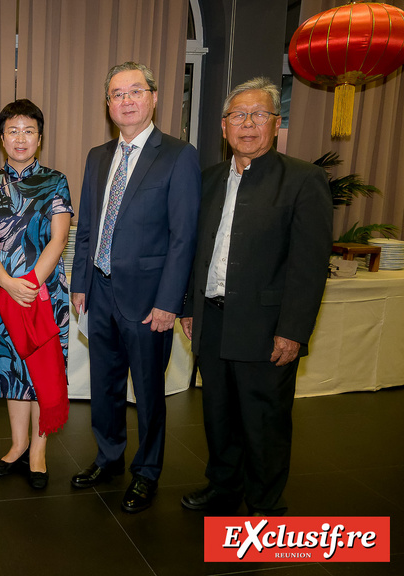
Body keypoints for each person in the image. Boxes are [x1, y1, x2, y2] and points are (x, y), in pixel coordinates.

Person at [180, 77, 332, 516]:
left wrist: (293, 331)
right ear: (224, 126)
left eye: (258, 115)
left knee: (264, 419)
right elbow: (194, 252)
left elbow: (308, 265)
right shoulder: (208, 180)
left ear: (276, 123)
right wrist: (189, 308)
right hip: (213, 319)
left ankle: (265, 502)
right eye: (238, 116)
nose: (248, 124)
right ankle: (223, 486)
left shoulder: (303, 180)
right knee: (218, 413)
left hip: (266, 327)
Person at [70, 61, 201, 513]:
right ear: (108, 104)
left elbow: (184, 237)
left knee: (147, 392)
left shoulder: (178, 155)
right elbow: (88, 226)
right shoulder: (97, 156)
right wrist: (81, 282)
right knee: (104, 385)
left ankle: (146, 472)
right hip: (100, 292)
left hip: (149, 300)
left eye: (135, 91)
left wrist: (170, 301)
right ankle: (108, 458)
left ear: (154, 97)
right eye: (117, 94)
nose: (126, 101)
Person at [0, 99, 72, 489]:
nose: (21, 138)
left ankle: (38, 451)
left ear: (39, 138)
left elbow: (59, 238)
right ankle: (17, 445)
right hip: (2, 295)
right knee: (12, 372)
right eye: (13, 131)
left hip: (43, 295)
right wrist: (6, 282)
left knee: (41, 372)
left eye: (28, 131)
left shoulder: (56, 181)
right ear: (2, 138)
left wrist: (28, 285)